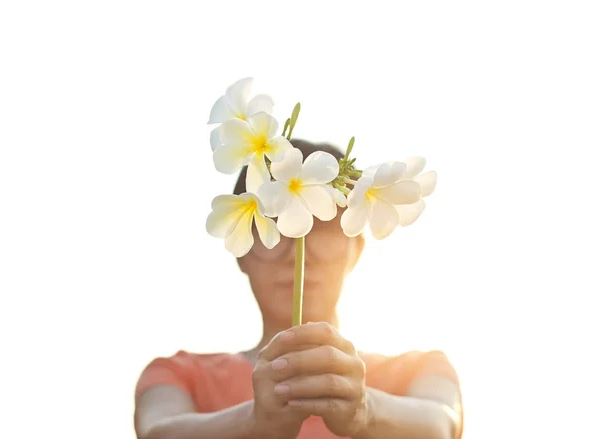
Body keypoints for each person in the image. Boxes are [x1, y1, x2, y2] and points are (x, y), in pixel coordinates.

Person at [134, 139, 463, 439]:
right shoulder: (180, 374)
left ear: (356, 251)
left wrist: (366, 410)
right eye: (273, 225)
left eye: (325, 226)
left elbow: (441, 424)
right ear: (241, 250)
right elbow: (158, 433)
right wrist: (256, 423)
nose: (297, 255)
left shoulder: (419, 369)